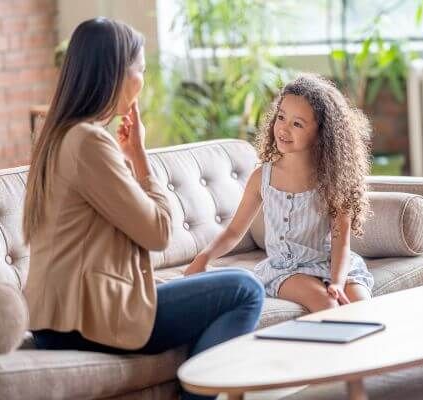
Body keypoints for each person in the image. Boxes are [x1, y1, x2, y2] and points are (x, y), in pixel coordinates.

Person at [22, 18, 264, 400]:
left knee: (211, 291)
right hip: (87, 320)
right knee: (244, 288)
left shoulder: (56, 136)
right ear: (118, 74)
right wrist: (140, 157)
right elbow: (159, 232)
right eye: (142, 70)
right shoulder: (88, 143)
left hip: (57, 317)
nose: (144, 82)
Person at [186, 73, 374, 312]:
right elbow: (234, 231)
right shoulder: (261, 177)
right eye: (281, 117)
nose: (284, 129)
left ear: (323, 133)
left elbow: (341, 244)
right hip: (286, 269)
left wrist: (337, 282)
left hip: (331, 262)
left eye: (297, 123)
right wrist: (203, 258)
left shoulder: (335, 181)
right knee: (328, 304)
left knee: (361, 305)